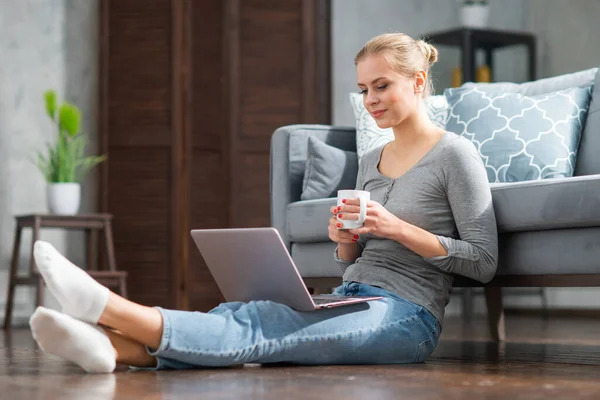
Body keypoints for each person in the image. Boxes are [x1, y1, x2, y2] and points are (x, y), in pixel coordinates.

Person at [28, 32, 498, 373]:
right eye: (363, 89)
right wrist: (346, 242)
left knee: (264, 323)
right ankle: (112, 350)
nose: (370, 99)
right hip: (353, 296)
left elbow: (482, 262)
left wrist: (396, 227)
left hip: (407, 318)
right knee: (242, 312)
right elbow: (353, 262)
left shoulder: (454, 154)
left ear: (417, 83)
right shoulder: (373, 158)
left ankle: (107, 308)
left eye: (382, 86)